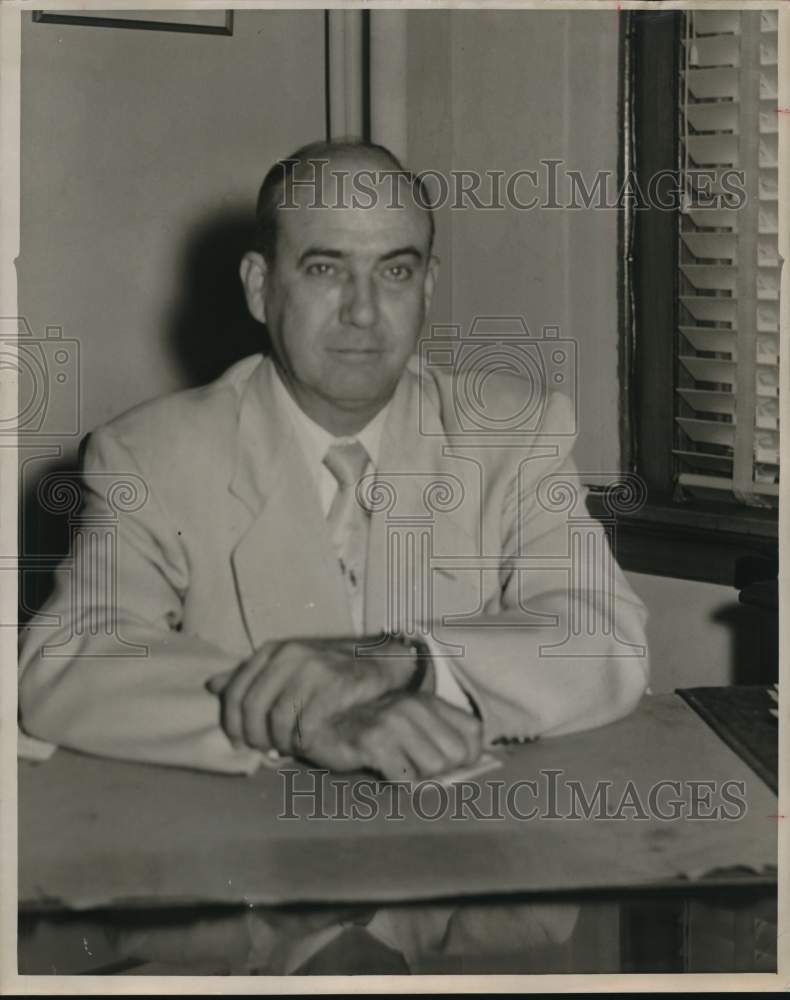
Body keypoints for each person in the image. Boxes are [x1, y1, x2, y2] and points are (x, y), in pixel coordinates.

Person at [18, 140, 649, 780]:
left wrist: (401, 662)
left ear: (428, 287)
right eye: (326, 269)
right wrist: (306, 717)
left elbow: (604, 637)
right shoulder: (150, 456)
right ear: (261, 288)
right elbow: (72, 659)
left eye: (395, 272)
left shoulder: (513, 433)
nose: (364, 311)